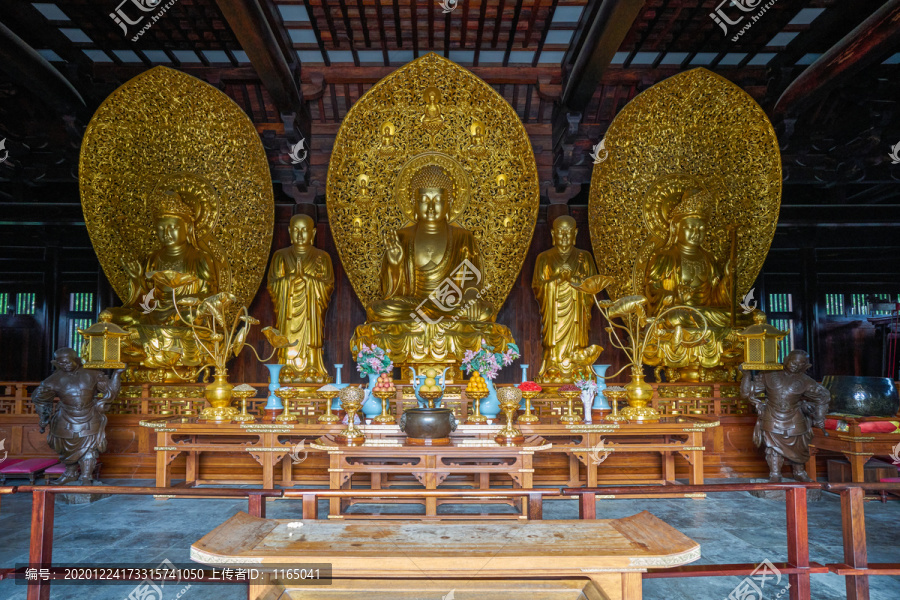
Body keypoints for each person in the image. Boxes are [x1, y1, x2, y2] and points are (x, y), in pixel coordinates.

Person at [367, 164, 493, 323]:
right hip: (412, 305)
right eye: (424, 200)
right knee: (377, 309)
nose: (431, 208)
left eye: (438, 200)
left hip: (450, 305)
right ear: (414, 202)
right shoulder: (401, 237)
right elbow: (390, 293)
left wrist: (470, 294)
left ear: (450, 203)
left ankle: (427, 321)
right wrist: (395, 264)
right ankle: (429, 320)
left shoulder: (463, 237)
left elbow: (471, 278)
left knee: (485, 311)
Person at [31, 348, 123, 484]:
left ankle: (86, 476)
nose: (65, 365)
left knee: (89, 447)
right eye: (61, 363)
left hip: (89, 415)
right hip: (65, 416)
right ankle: (70, 473)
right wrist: (44, 417)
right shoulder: (53, 379)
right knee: (65, 446)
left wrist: (117, 374)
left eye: (68, 362)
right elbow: (40, 398)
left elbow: (111, 392)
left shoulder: (93, 375)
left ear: (77, 360)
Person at [740, 349, 831, 482]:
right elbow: (746, 393)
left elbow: (823, 397)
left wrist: (819, 417)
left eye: (801, 364)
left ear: (806, 366)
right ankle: (775, 474)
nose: (796, 365)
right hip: (772, 415)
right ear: (786, 360)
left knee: (799, 447)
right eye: (793, 362)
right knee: (773, 447)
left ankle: (799, 472)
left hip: (795, 416)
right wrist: (746, 375)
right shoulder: (770, 374)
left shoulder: (806, 381)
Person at [532, 216, 602, 382]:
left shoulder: (584, 257)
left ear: (575, 233)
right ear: (552, 233)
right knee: (553, 343)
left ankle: (578, 368)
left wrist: (574, 280)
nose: (564, 237)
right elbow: (537, 286)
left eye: (568, 233)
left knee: (578, 342)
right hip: (554, 313)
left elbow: (593, 288)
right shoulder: (544, 258)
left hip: (576, 314)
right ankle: (552, 368)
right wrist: (557, 280)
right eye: (560, 233)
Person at [267, 214, 335, 382]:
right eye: (296, 230)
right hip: (288, 311)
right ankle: (286, 369)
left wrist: (307, 280)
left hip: (310, 313)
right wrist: (290, 280)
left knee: (311, 337)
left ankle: (313, 369)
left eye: (304, 230)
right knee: (287, 336)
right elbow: (272, 285)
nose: (299, 234)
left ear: (313, 233)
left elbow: (328, 285)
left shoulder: (322, 257)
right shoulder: (280, 256)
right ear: (289, 231)